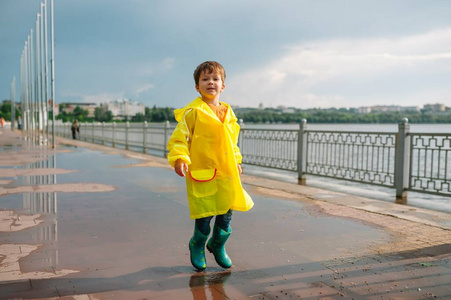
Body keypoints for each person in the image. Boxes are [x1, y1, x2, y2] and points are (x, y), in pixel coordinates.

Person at [167, 61, 254, 271]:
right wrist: (180, 158)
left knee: (226, 213)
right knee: (205, 215)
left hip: (226, 172)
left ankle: (218, 244)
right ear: (197, 86)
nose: (210, 83)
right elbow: (180, 138)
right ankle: (197, 244)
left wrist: (238, 160)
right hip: (203, 171)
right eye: (205, 79)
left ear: (223, 85)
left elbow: (232, 142)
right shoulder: (193, 112)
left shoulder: (229, 112)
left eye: (215, 79)